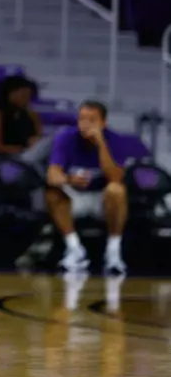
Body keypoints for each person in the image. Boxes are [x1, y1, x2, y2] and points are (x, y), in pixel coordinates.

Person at [46, 101, 128, 277]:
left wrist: (100, 144)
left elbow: (115, 177)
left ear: (103, 123)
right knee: (53, 192)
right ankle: (75, 250)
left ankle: (113, 253)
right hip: (76, 196)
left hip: (102, 198)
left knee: (117, 190)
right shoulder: (65, 137)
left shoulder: (115, 140)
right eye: (82, 119)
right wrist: (69, 179)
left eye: (92, 120)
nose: (86, 124)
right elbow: (52, 175)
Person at [0, 75, 43, 158]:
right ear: (10, 94)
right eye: (23, 95)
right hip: (7, 157)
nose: (26, 99)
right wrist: (18, 150)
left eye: (28, 96)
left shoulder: (32, 114)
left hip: (29, 154)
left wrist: (35, 141)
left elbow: (39, 135)